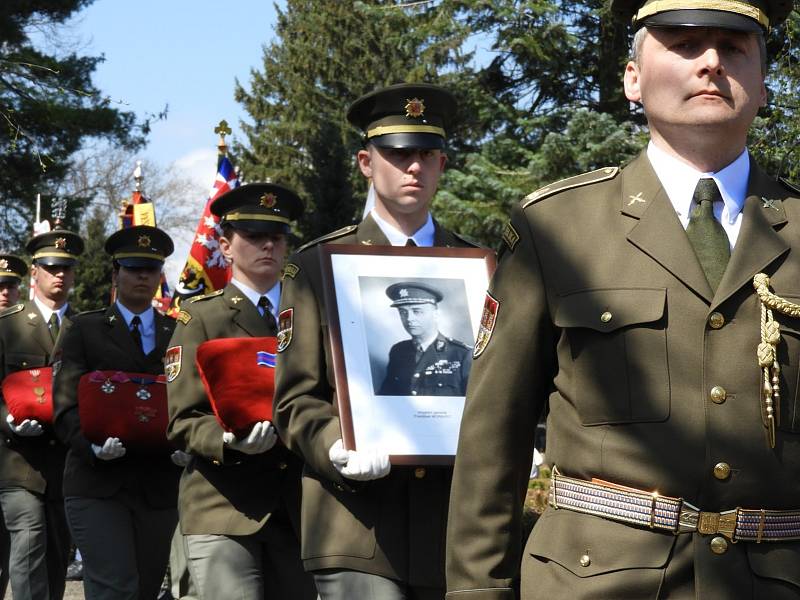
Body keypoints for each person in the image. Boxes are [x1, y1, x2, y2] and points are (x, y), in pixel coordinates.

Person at [445, 1, 800, 598]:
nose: (711, 62)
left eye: (735, 46)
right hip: (595, 582)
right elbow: (493, 438)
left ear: (763, 85)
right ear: (633, 79)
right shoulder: (557, 227)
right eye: (684, 44)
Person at [274, 83, 480, 600]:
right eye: (398, 154)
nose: (414, 167)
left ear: (442, 164)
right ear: (367, 162)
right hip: (355, 523)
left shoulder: (479, 268)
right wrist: (335, 446)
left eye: (426, 154)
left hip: (452, 523)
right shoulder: (318, 265)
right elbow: (294, 398)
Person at [166, 182, 316, 600]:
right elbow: (182, 418)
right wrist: (228, 442)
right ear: (226, 246)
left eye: (277, 236)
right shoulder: (201, 318)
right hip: (223, 505)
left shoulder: (308, 316)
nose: (267, 245)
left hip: (296, 509)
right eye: (252, 236)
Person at [51, 225, 181, 599]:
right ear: (115, 274)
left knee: (143, 588)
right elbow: (64, 405)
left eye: (151, 269)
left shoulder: (178, 332)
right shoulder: (83, 329)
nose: (143, 276)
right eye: (133, 268)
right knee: (115, 587)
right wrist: (90, 446)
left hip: (158, 484)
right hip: (98, 483)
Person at [0, 229, 83, 600]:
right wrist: (8, 419)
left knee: (55, 560)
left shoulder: (87, 329)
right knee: (29, 542)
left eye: (66, 267)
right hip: (16, 462)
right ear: (35, 272)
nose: (59, 275)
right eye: (51, 267)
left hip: (65, 465)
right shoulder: (8, 325)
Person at [378, 281, 471, 396]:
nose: (409, 319)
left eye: (417, 311)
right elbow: (386, 397)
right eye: (403, 312)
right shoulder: (398, 351)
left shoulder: (462, 355)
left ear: (436, 314)